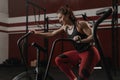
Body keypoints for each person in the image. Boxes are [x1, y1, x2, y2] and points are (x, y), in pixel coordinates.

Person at [30, 5, 100, 80]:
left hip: (90, 52)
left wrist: (81, 40)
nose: (59, 20)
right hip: (79, 52)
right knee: (59, 60)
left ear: (67, 15)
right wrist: (36, 33)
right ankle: (74, 79)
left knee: (82, 77)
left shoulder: (80, 24)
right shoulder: (65, 27)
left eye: (60, 17)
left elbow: (94, 37)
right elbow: (52, 33)